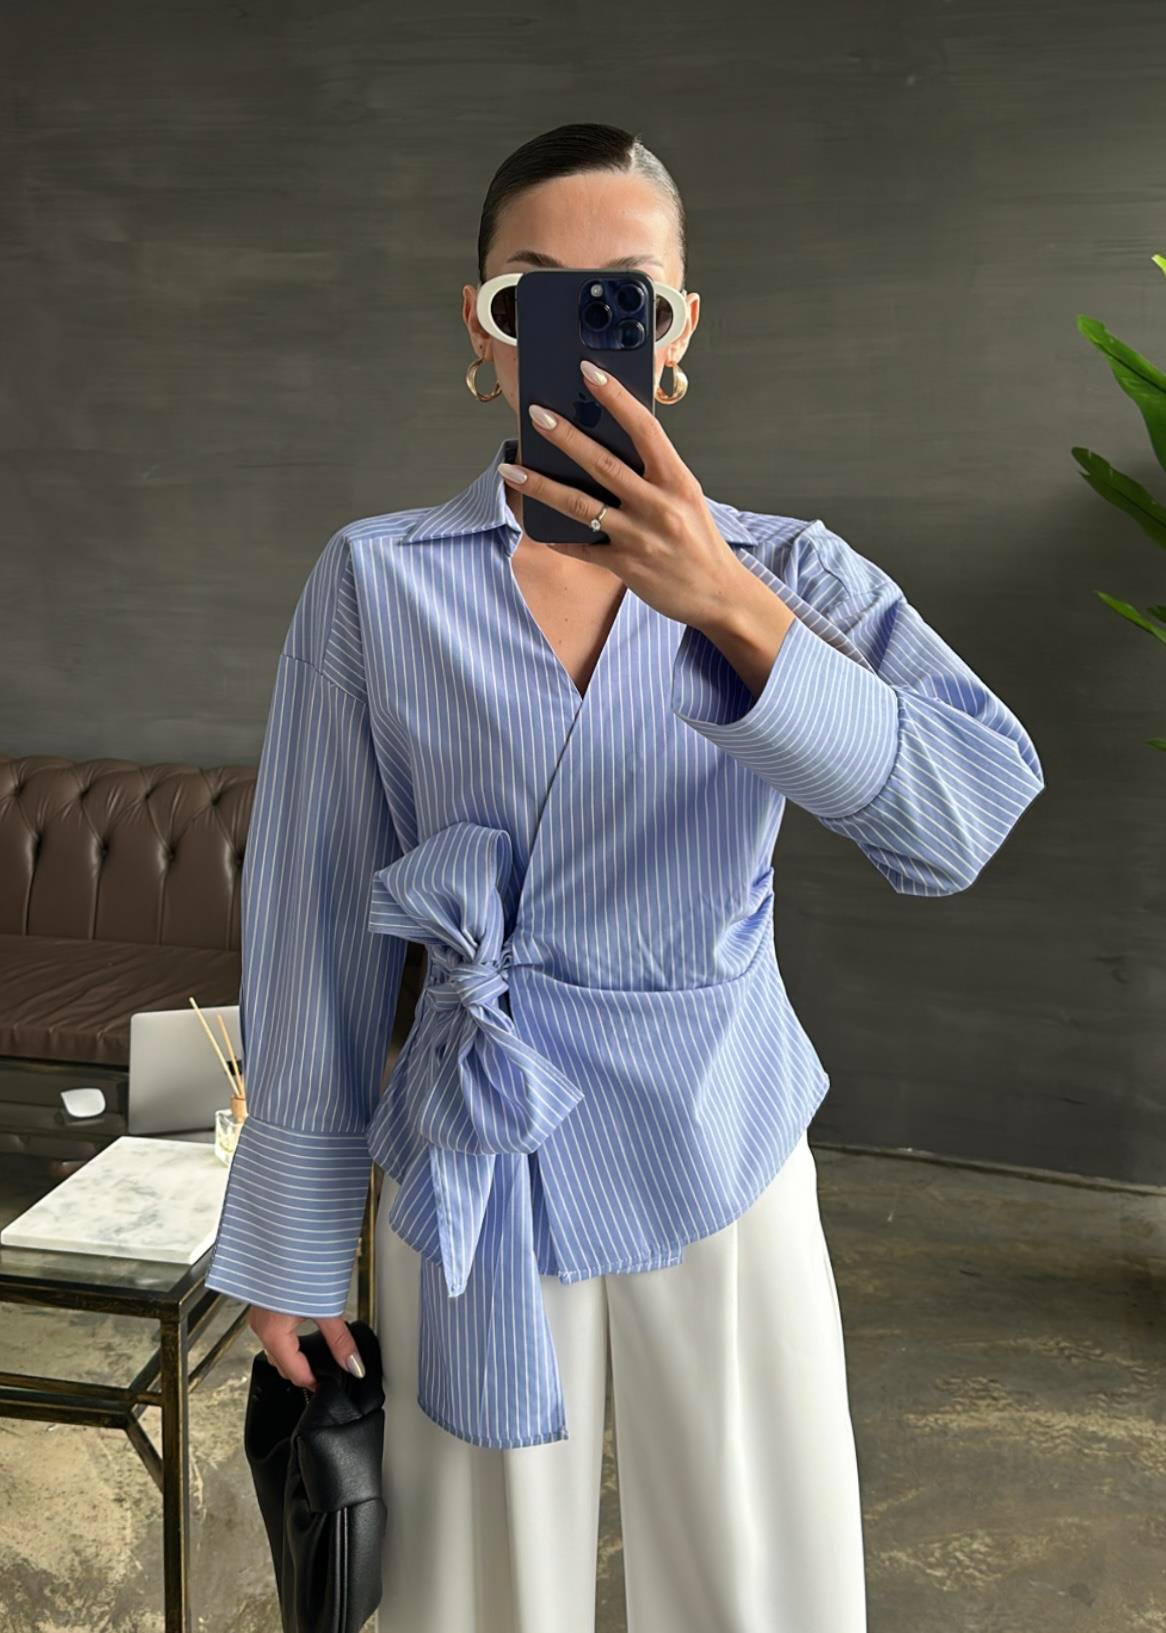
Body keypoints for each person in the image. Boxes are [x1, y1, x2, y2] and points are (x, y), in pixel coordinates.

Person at [204, 121, 1045, 1632]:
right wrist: (293, 1232)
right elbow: (313, 924)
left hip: (719, 1132)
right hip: (472, 1150)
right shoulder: (374, 581)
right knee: (471, 1592)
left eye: (623, 296)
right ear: (481, 332)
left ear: (676, 334)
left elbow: (957, 822)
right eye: (531, 290)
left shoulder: (790, 571)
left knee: (761, 1586)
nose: (577, 329)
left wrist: (725, 603)